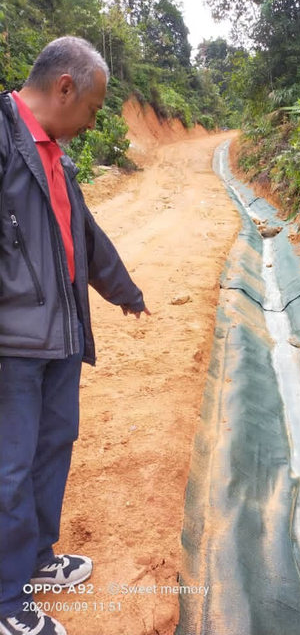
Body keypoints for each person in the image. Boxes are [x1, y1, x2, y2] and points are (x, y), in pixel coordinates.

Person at [0, 36, 150, 635]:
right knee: (9, 469)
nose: (93, 122)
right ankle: (8, 602)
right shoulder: (6, 139)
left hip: (60, 338)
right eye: (92, 108)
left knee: (51, 448)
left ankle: (36, 559)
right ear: (65, 87)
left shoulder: (57, 156)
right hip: (13, 347)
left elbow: (84, 239)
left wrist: (126, 293)